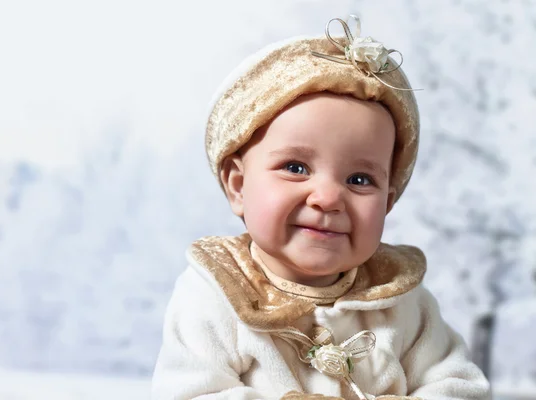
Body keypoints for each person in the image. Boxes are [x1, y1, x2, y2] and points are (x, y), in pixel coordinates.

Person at [151, 14, 491, 400]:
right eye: (295, 168)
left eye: (360, 180)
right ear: (239, 185)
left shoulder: (402, 301)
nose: (328, 198)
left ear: (388, 202)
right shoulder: (216, 295)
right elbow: (190, 393)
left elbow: (461, 387)